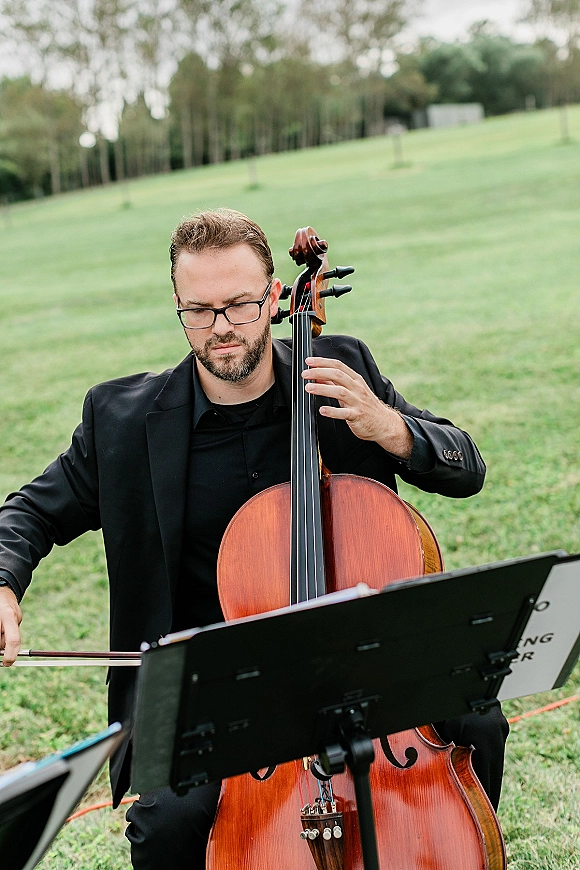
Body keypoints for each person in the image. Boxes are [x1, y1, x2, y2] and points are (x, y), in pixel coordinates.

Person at [0, 209, 508, 868]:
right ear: (178, 307)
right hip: (221, 695)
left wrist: (392, 427)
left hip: (363, 667)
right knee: (166, 820)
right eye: (198, 310)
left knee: (477, 719)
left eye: (239, 305)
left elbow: (466, 468)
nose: (221, 329)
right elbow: (28, 513)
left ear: (273, 298)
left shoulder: (340, 369)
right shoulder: (120, 422)